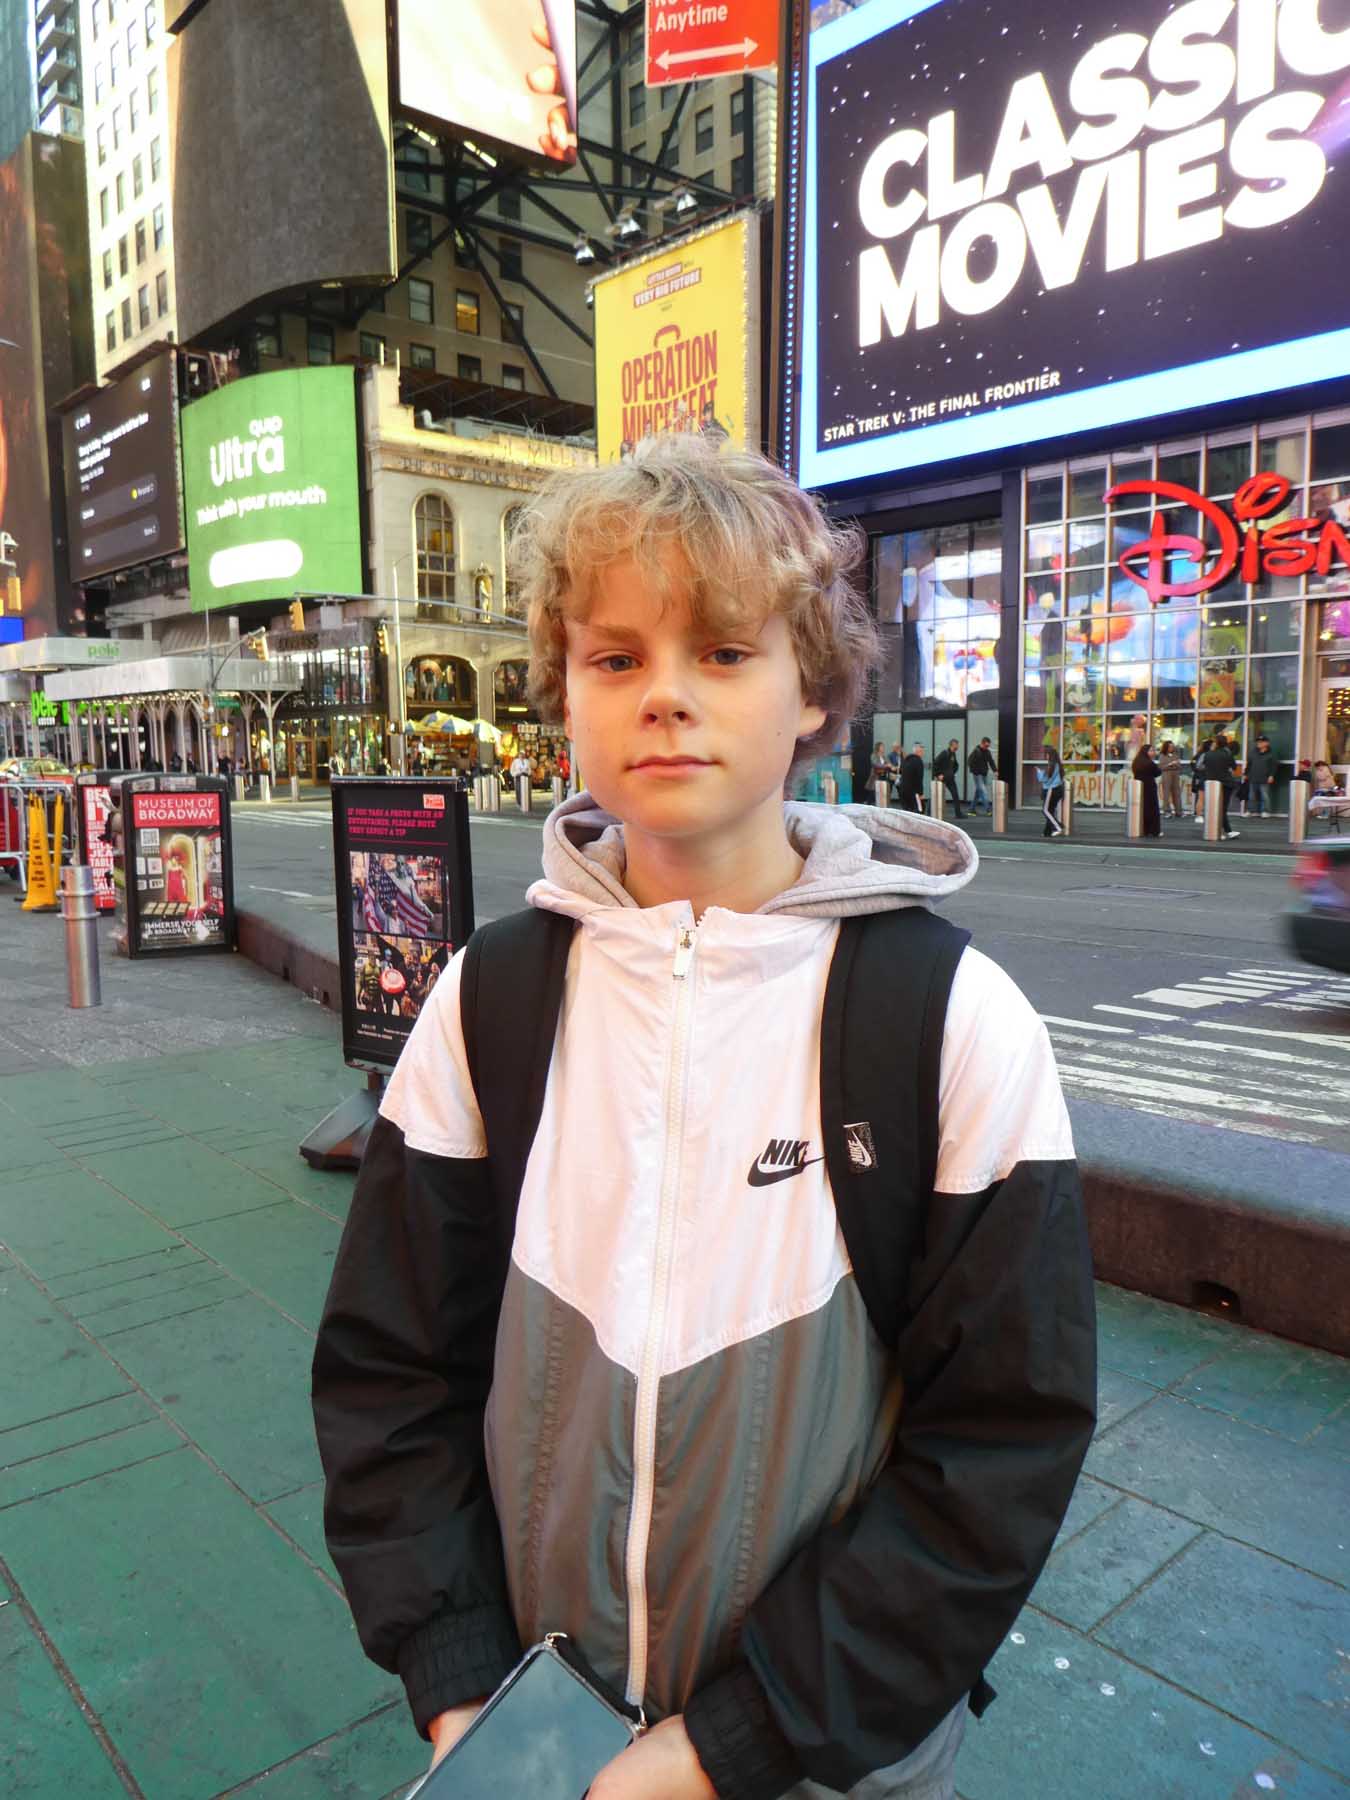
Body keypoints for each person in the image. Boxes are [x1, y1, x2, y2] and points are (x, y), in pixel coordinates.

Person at [311, 435, 1095, 1800]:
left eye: (724, 651)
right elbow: (392, 1371)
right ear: (563, 689)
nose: (665, 694)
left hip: (829, 1759)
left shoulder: (952, 1022)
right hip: (538, 1729)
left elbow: (1000, 1442)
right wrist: (456, 1676)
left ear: (815, 687)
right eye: (615, 657)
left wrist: (733, 1744)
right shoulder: (487, 1002)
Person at [1207, 732, 1240, 838]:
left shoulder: (1208, 754)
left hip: (1212, 784)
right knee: (1222, 808)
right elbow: (1234, 767)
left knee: (1214, 808)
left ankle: (1221, 830)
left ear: (1216, 743)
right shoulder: (1227, 754)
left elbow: (1203, 766)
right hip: (1226, 783)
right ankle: (1224, 831)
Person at [1131, 742, 1162, 838]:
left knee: (1142, 808)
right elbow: (1157, 772)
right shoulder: (1149, 763)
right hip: (1149, 787)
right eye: (1151, 751)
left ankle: (1142, 829)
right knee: (1152, 809)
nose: (1153, 752)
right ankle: (1153, 830)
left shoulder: (1136, 761)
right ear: (1146, 752)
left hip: (1138, 787)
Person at [931, 738, 966, 818]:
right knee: (936, 795)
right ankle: (930, 811)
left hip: (950, 778)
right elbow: (935, 763)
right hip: (942, 778)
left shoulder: (953, 754)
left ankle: (958, 814)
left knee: (955, 795)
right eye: (956, 745)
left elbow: (956, 765)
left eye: (957, 745)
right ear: (952, 745)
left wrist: (952, 773)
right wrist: (938, 774)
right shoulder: (944, 753)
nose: (957, 747)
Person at [1245, 734, 1277, 817]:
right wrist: (1246, 773)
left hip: (1264, 778)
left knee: (1264, 796)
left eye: (1261, 742)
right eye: (1258, 742)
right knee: (1251, 796)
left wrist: (1271, 776)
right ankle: (1250, 811)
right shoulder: (1253, 753)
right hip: (1253, 777)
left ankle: (1265, 811)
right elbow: (1249, 764)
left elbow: (1273, 766)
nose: (1259, 743)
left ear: (1266, 743)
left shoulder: (1271, 754)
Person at [1039, 742, 1065, 837]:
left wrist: (1039, 774)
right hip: (1058, 790)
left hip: (1052, 790)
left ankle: (1058, 827)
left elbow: (1047, 780)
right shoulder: (1057, 765)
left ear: (1049, 755)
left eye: (1046, 754)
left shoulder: (1053, 765)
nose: (1045, 756)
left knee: (1045, 810)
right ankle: (1047, 831)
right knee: (1050, 810)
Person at [967, 737, 997, 815]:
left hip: (984, 774)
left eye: (988, 746)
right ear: (982, 743)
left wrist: (995, 770)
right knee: (983, 791)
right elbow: (969, 762)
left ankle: (971, 809)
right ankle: (988, 810)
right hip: (977, 775)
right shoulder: (976, 751)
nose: (987, 747)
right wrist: (975, 772)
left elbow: (991, 761)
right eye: (986, 746)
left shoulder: (987, 752)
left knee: (978, 792)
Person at [1157, 742, 1183, 819]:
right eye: (1170, 747)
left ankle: (1179, 812)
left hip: (1175, 775)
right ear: (1166, 747)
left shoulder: (1176, 755)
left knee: (1177, 793)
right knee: (1166, 794)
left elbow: (1179, 766)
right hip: (1166, 775)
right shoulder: (1162, 755)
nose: (1172, 748)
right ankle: (1167, 811)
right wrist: (1170, 764)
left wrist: (1175, 764)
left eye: (1173, 746)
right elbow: (1161, 767)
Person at [898, 741, 925, 813]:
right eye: (922, 751)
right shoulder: (918, 761)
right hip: (913, 792)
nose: (923, 753)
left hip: (903, 791)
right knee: (918, 811)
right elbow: (919, 779)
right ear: (918, 752)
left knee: (906, 812)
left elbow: (901, 772)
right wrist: (921, 793)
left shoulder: (906, 760)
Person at [1192, 738, 1213, 823]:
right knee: (1201, 797)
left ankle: (1201, 815)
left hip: (1204, 778)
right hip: (1203, 777)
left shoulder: (1202, 754)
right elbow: (1198, 766)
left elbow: (1197, 766)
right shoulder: (1204, 754)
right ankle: (1198, 815)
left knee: (1203, 797)